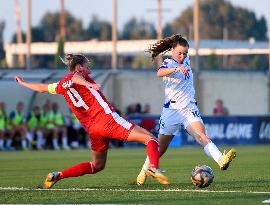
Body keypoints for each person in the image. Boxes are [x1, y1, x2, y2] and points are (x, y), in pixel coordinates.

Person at [14, 53, 170, 189]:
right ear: (79, 67)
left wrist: (23, 83)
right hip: (107, 119)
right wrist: (89, 84)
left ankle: (58, 175)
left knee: (97, 165)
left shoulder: (61, 85)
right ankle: (153, 168)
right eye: (87, 67)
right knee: (151, 140)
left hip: (93, 129)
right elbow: (76, 77)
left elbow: (42, 87)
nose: (89, 70)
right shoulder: (78, 76)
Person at [136, 34, 236, 186]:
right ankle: (144, 170)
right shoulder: (168, 63)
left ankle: (220, 159)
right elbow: (159, 73)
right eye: (179, 53)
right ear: (172, 50)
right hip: (172, 111)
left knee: (201, 136)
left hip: (189, 108)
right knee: (160, 148)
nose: (182, 56)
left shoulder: (186, 59)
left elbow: (181, 47)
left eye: (185, 53)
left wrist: (177, 42)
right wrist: (176, 68)